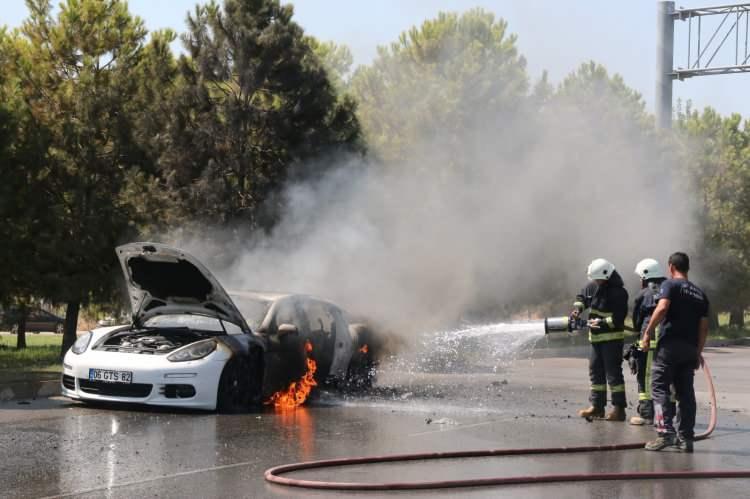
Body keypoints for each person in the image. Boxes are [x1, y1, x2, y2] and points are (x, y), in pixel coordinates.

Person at [642, 252, 709, 452]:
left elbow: (662, 308)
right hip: (689, 349)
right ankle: (686, 438)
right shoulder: (700, 293)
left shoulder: (669, 285)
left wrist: (647, 333)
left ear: (671, 267)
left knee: (659, 388)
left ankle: (665, 434)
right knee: (686, 393)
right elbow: (704, 327)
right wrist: (697, 353)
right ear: (687, 268)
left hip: (669, 346)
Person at [574, 258, 629, 421]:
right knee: (595, 372)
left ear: (606, 275)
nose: (595, 282)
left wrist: (602, 322)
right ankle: (597, 407)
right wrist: (577, 309)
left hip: (612, 340)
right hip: (596, 339)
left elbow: (618, 318)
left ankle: (619, 409)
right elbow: (582, 297)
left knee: (613, 374)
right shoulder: (593, 285)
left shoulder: (619, 292)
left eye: (597, 279)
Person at [629, 258, 667, 426]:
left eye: (640, 277)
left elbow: (637, 319)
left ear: (645, 276)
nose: (639, 280)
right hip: (669, 341)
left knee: (645, 376)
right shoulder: (669, 288)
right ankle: (667, 414)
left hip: (650, 342)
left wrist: (640, 334)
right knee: (667, 378)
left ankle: (646, 414)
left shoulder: (645, 294)